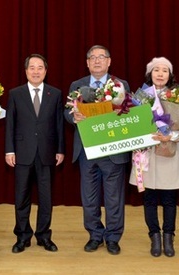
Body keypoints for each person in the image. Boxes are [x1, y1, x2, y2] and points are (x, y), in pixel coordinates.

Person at [64, 45, 131, 255]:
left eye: (101, 57)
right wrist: (73, 117)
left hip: (113, 150)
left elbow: (129, 112)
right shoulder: (77, 85)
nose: (97, 61)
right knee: (89, 197)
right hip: (86, 150)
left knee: (114, 197)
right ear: (87, 63)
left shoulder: (121, 85)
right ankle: (94, 235)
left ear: (109, 61)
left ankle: (112, 237)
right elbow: (66, 112)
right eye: (92, 58)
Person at [5, 54, 65, 253]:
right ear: (26, 71)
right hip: (22, 153)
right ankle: (22, 236)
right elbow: (10, 125)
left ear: (46, 71)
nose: (36, 71)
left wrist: (60, 149)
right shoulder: (16, 93)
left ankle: (43, 236)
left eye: (40, 68)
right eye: (32, 67)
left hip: (47, 153)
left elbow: (59, 125)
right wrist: (9, 150)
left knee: (46, 198)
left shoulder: (55, 94)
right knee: (21, 197)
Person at [129, 57, 179, 257]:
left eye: (165, 70)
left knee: (170, 199)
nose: (160, 74)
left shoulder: (177, 96)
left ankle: (168, 237)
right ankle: (154, 236)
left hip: (169, 150)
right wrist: (147, 135)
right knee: (150, 198)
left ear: (170, 75)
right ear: (150, 74)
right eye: (156, 70)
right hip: (146, 153)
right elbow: (131, 124)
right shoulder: (140, 96)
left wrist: (170, 136)